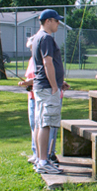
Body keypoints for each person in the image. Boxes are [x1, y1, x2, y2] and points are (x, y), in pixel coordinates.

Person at [32, 9, 70, 175]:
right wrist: (54, 85)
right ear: (48, 21)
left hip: (43, 86)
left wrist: (60, 83)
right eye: (56, 20)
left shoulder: (37, 37)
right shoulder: (46, 37)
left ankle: (40, 159)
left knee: (40, 123)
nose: (58, 23)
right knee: (46, 124)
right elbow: (48, 62)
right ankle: (43, 161)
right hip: (47, 87)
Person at [18, 37, 57, 165]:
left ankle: (48, 154)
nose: (32, 51)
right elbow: (30, 76)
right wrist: (26, 83)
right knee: (34, 125)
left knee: (45, 126)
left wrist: (30, 82)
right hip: (32, 96)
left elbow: (43, 76)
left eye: (33, 48)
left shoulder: (45, 59)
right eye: (30, 49)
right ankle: (36, 153)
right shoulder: (32, 60)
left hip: (43, 96)